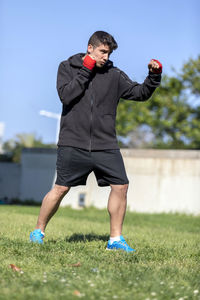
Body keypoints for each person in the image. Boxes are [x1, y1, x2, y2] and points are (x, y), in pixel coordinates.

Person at [30, 31, 162, 252]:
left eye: (108, 53)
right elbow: (67, 95)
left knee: (121, 186)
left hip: (105, 144)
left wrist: (154, 77)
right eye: (102, 52)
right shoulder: (67, 67)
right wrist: (86, 69)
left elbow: (139, 93)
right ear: (89, 48)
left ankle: (115, 240)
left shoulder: (114, 74)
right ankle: (38, 231)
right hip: (73, 141)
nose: (106, 57)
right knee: (61, 188)